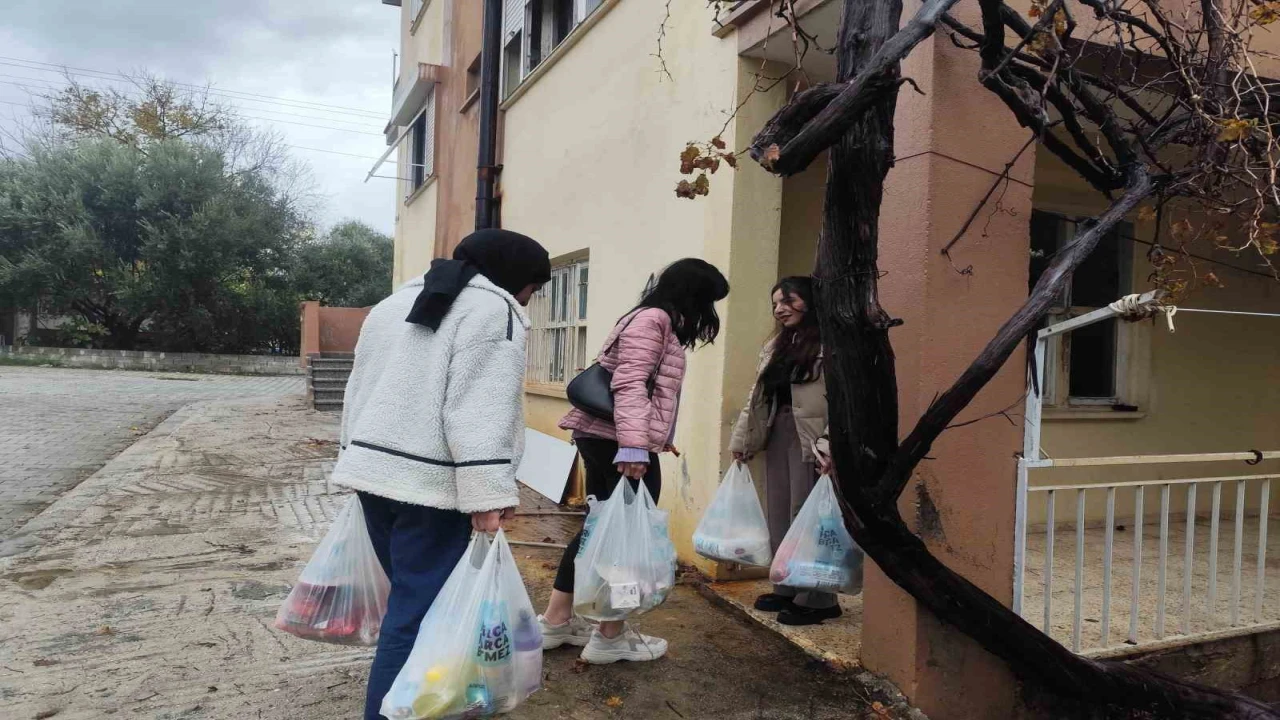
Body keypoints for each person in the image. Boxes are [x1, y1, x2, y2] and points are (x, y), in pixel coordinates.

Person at [330, 229, 550, 720]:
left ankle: (426, 703)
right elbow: (479, 408)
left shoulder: (394, 303)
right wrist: (489, 494)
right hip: (434, 490)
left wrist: (353, 459)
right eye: (534, 288)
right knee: (419, 619)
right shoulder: (493, 310)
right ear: (516, 277)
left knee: (411, 609)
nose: (529, 299)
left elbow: (357, 388)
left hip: (376, 479)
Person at [539, 258, 730, 664]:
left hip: (607, 438)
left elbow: (641, 387)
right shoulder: (654, 320)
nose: (709, 313)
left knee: (601, 529)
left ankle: (556, 622)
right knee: (625, 535)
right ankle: (609, 637)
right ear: (694, 295)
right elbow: (629, 384)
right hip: (617, 443)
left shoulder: (647, 317)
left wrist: (653, 438)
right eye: (709, 301)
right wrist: (634, 445)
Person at [728, 276, 844, 626]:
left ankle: (819, 598)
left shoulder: (832, 344)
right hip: (779, 433)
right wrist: (743, 441)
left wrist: (830, 444)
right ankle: (788, 586)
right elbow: (757, 397)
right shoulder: (778, 344)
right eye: (776, 302)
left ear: (810, 302)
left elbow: (845, 402)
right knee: (779, 512)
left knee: (808, 517)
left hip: (811, 440)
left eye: (789, 301)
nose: (780, 308)